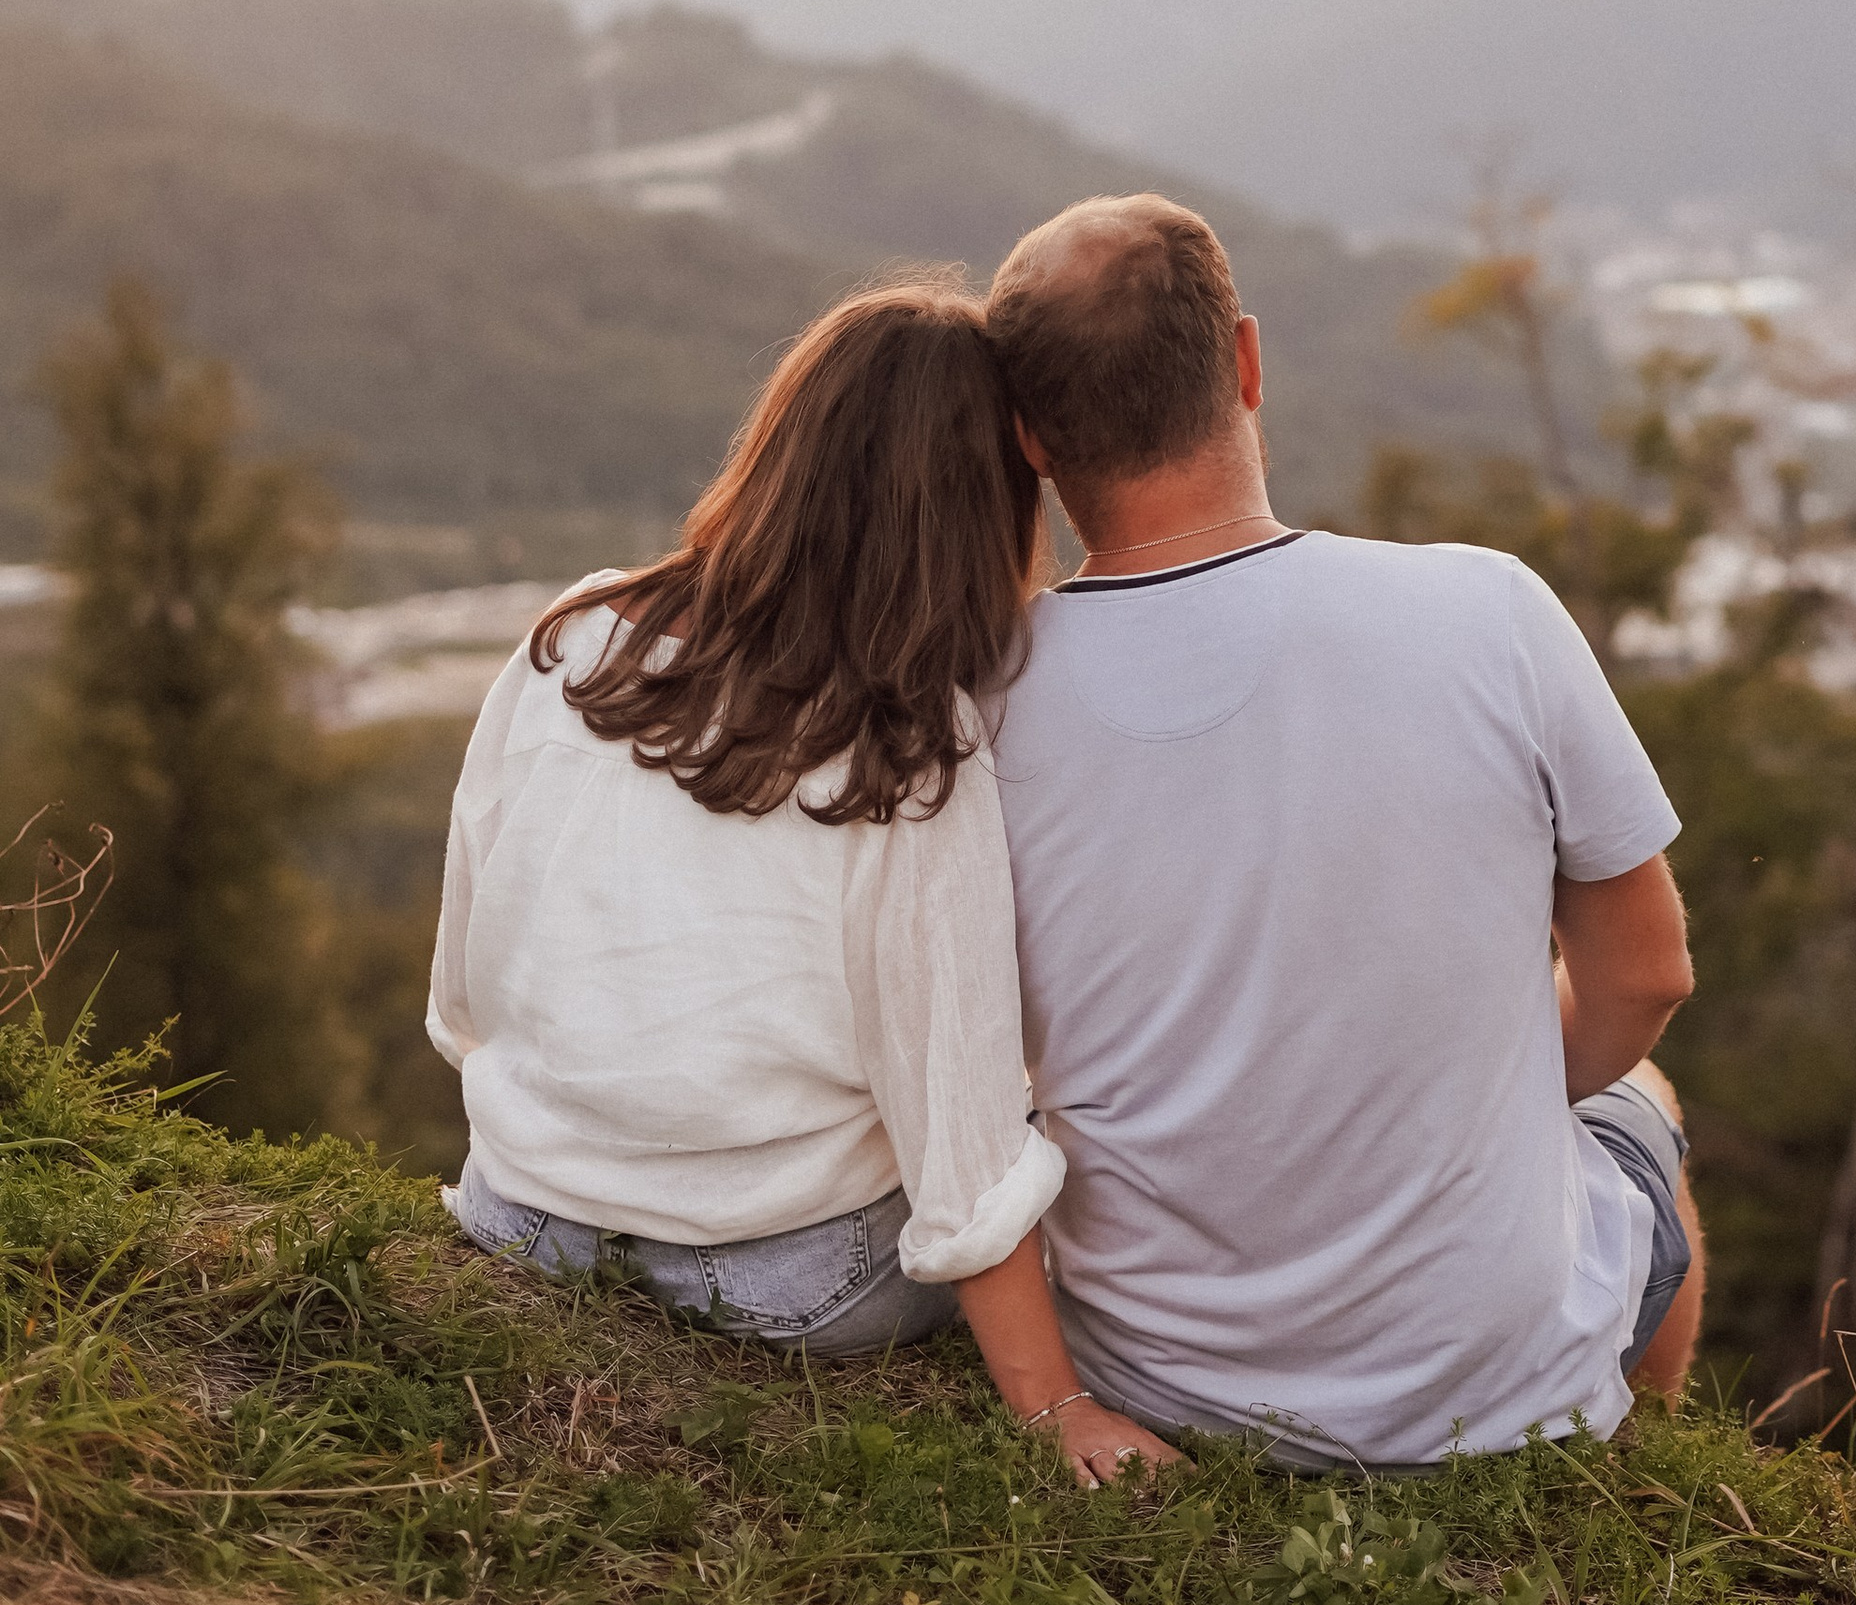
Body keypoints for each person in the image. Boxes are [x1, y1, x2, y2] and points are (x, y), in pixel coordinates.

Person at [984, 193, 1705, 1468]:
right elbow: (1646, 975)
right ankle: (1639, 1442)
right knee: (1640, 1096)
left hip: (1158, 1381)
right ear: (1246, 363)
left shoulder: (986, 696)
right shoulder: (1488, 611)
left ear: (1032, 440)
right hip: (1489, 1393)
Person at [426, 283, 1178, 1490]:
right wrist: (1058, 1407)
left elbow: (464, 980)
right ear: (977, 507)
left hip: (522, 1212)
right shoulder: (908, 748)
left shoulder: (575, 637)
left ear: (780, 441)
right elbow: (964, 1142)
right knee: (1074, 1125)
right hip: (783, 1279)